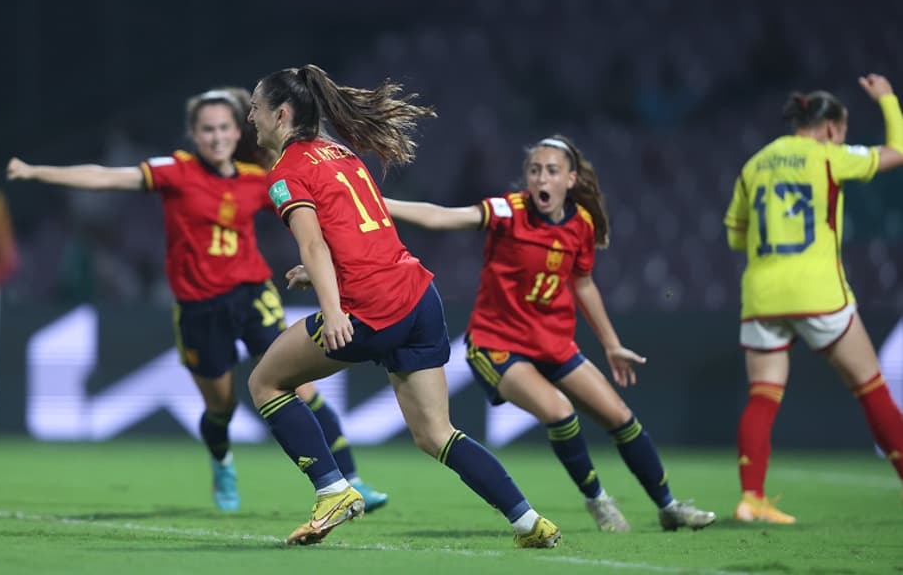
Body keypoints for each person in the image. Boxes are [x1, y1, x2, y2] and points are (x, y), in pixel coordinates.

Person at [5, 87, 387, 514]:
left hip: (252, 294)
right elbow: (107, 176)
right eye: (207, 129)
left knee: (302, 385)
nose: (217, 136)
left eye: (224, 127)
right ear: (194, 133)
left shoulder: (253, 178)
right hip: (199, 308)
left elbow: (312, 212)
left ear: (234, 130)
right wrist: (38, 172)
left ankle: (351, 480)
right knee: (220, 406)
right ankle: (222, 461)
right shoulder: (176, 172)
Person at [246, 64, 560, 548]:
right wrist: (324, 277)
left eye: (255, 107)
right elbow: (360, 228)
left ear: (282, 114)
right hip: (417, 297)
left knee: (265, 382)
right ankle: (529, 521)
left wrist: (332, 310)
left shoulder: (286, 173)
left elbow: (313, 245)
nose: (250, 117)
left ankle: (333, 489)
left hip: (370, 307)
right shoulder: (341, 153)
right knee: (437, 434)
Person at [384, 134, 716, 533]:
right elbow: (441, 216)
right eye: (535, 170)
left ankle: (668, 507)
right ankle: (599, 501)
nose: (541, 179)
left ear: (570, 179)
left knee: (622, 418)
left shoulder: (582, 225)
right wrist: (376, 204)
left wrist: (611, 344)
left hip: (554, 343)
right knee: (560, 412)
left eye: (552, 171)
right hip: (496, 344)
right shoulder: (509, 211)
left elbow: (584, 284)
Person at [723, 73, 903, 523]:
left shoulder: (755, 163)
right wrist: (889, 102)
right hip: (819, 292)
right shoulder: (829, 157)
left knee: (762, 396)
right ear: (829, 129)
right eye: (841, 131)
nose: (842, 138)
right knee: (871, 387)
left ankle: (751, 499)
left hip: (762, 295)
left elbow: (735, 236)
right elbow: (896, 153)